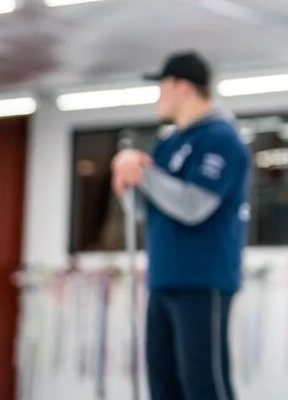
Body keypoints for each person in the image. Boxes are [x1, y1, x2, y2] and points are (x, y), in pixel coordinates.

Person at [111, 50, 252, 400]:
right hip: (164, 280)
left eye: (163, 86)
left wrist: (144, 175)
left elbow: (193, 206)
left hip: (202, 281)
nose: (158, 95)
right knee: (164, 385)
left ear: (182, 87)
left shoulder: (221, 139)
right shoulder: (168, 142)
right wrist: (128, 184)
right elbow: (148, 210)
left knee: (202, 385)